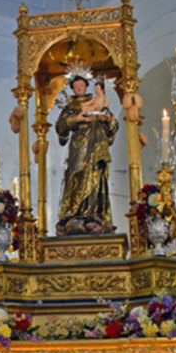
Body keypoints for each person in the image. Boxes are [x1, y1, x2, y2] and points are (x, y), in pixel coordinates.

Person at [55, 71, 119, 236]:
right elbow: (60, 127)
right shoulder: (70, 107)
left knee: (96, 178)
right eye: (75, 86)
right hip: (79, 150)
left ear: (86, 86)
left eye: (81, 85)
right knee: (77, 177)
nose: (79, 88)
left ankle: (94, 213)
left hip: (97, 149)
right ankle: (75, 213)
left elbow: (114, 126)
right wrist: (76, 119)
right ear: (72, 88)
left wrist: (107, 119)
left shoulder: (97, 102)